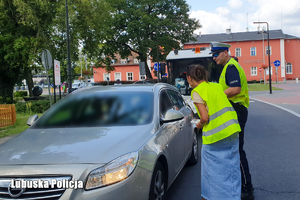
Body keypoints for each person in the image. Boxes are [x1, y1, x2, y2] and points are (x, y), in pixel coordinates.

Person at [186, 64, 241, 200]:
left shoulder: (197, 91)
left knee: (212, 173)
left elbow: (205, 117)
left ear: (189, 78)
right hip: (232, 130)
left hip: (215, 137)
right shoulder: (216, 86)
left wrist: (199, 124)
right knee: (231, 168)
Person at [210, 42, 254, 200]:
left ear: (225, 53)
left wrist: (217, 96)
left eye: (216, 54)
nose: (214, 57)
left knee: (237, 150)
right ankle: (242, 184)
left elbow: (235, 89)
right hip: (236, 112)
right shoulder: (228, 67)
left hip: (238, 112)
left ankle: (246, 188)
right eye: (213, 55)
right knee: (235, 150)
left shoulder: (231, 67)